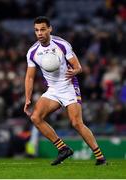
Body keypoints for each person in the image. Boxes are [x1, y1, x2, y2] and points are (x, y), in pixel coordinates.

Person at [24, 16, 107, 166]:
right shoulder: (32, 52)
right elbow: (29, 77)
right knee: (35, 117)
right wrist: (28, 98)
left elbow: (79, 67)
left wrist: (75, 71)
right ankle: (63, 149)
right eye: (36, 30)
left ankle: (100, 157)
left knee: (76, 123)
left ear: (50, 29)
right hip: (53, 90)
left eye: (43, 29)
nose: (40, 33)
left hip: (68, 86)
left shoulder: (62, 44)